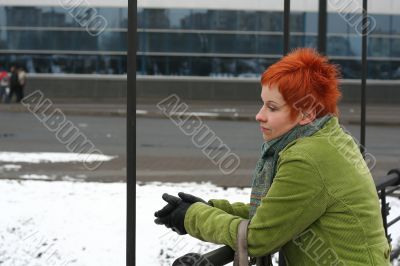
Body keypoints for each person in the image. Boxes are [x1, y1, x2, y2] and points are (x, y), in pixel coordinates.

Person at [154, 48, 390, 265]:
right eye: (262, 104)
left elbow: (259, 238)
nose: (259, 115)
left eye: (272, 107)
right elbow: (281, 214)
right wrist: (211, 208)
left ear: (306, 114)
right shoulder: (329, 137)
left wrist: (192, 216)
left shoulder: (308, 158)